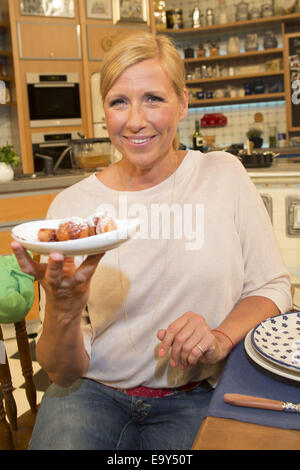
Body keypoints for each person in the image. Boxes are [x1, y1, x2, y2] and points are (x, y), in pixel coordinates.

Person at [12, 31, 292, 450]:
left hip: (195, 394)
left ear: (182, 104)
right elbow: (61, 372)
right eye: (119, 101)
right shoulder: (75, 206)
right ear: (104, 111)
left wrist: (219, 337)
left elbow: (271, 287)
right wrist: (65, 312)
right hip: (90, 393)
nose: (135, 120)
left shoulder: (222, 174)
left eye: (153, 99)